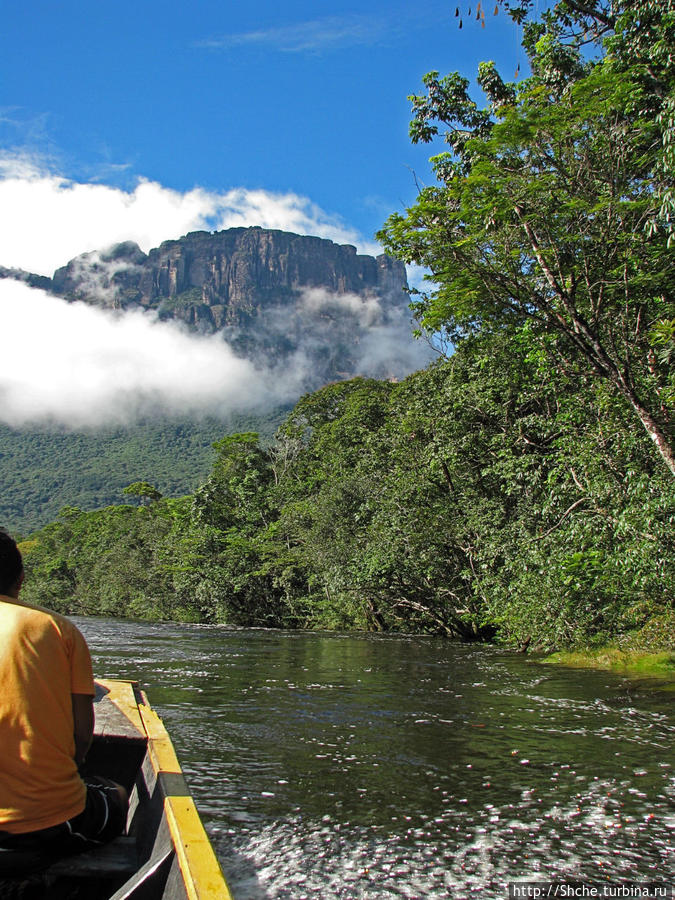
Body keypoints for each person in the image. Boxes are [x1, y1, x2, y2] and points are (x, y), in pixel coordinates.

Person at [0, 531, 128, 867]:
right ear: (20, 580)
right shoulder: (57, 629)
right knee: (117, 794)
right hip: (41, 826)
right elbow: (82, 737)